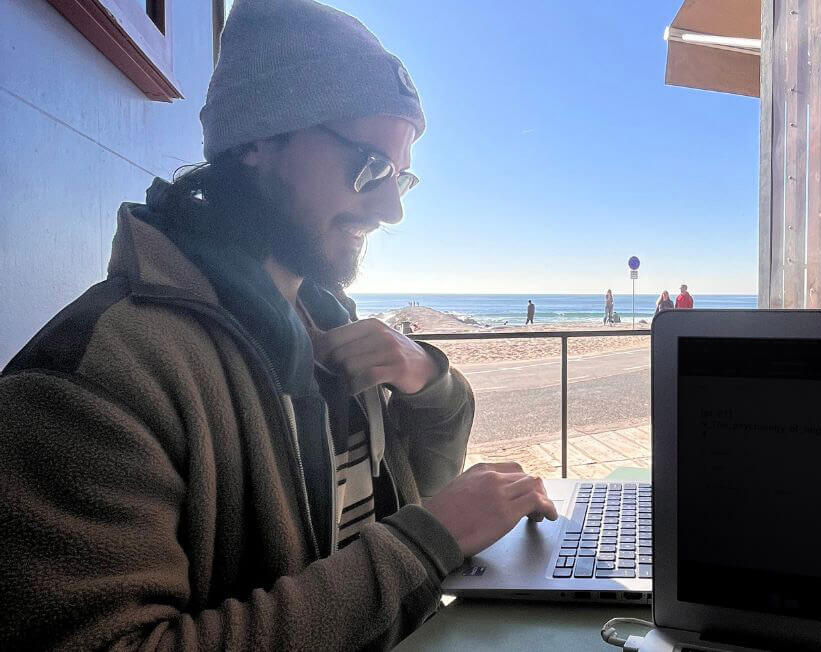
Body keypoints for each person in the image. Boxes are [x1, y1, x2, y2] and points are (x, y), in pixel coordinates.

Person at [0, 1, 557, 649]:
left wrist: (426, 375)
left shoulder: (324, 322)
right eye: (368, 166)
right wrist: (426, 541)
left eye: (399, 177)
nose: (389, 210)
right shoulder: (95, 377)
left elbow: (421, 489)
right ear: (260, 141)